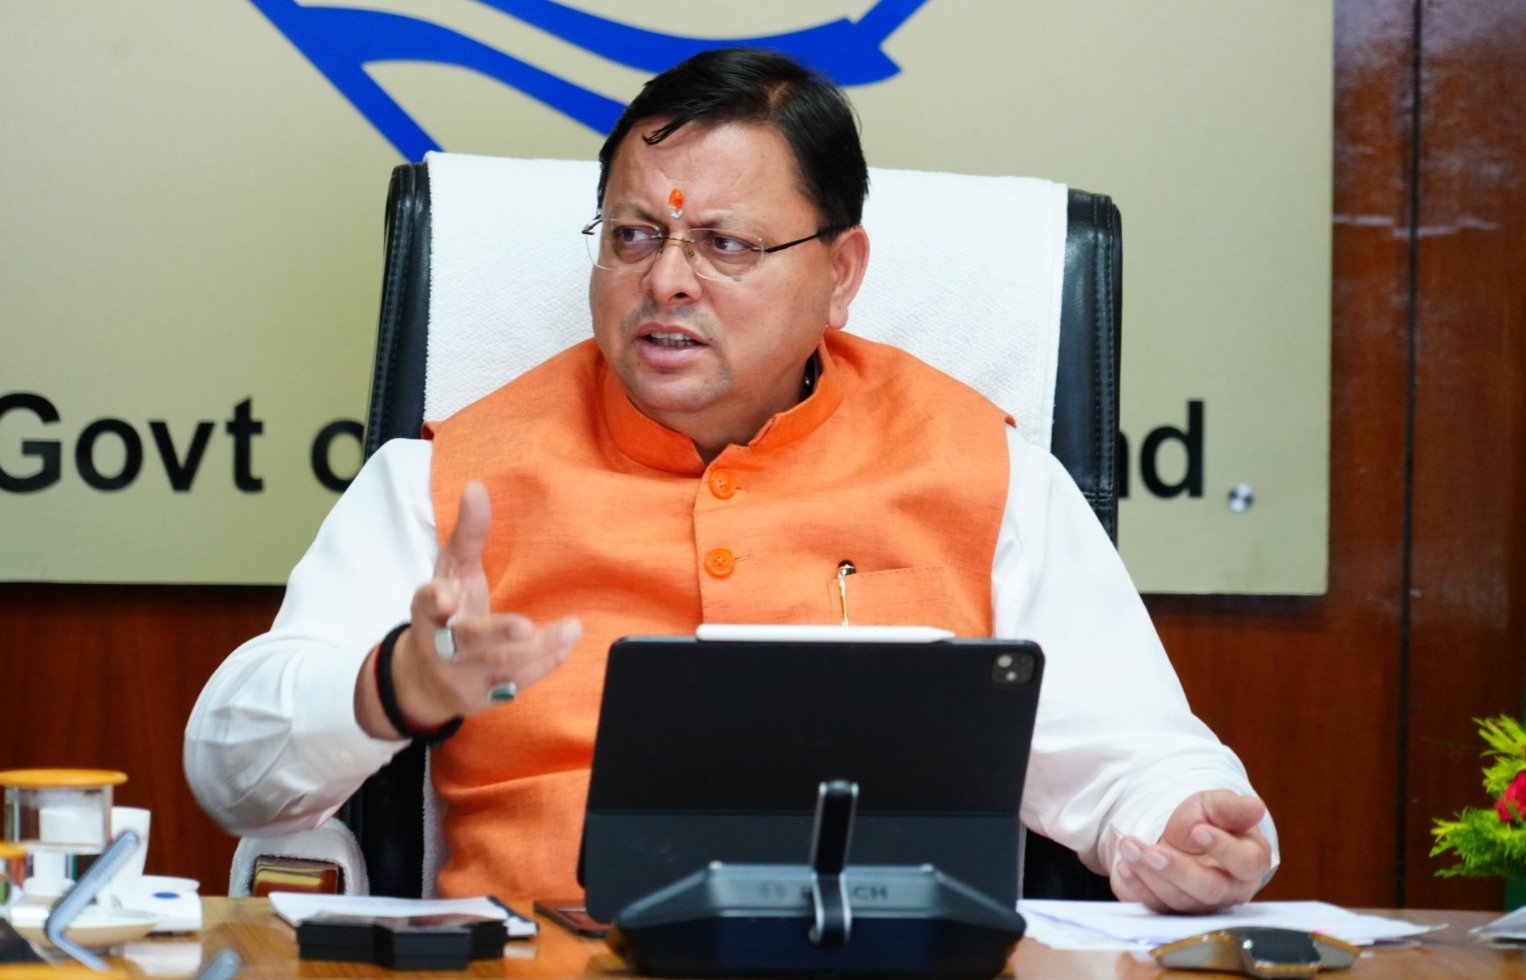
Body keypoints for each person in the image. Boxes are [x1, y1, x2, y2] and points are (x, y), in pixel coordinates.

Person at [185, 47, 1276, 913]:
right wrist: (393, 685)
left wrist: (1187, 825)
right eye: (633, 235)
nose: (666, 279)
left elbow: (1135, 760)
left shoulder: (990, 474)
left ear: (840, 273)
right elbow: (230, 768)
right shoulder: (444, 479)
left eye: (723, 244)